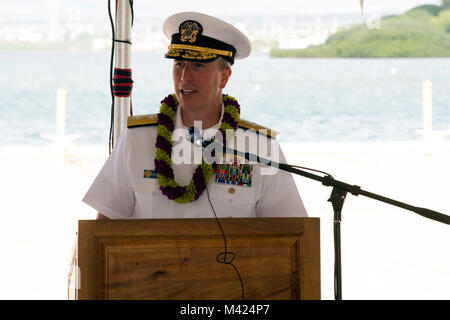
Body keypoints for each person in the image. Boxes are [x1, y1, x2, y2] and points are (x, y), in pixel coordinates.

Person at [82, 12, 307, 220]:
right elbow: (106, 226)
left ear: (224, 77)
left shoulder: (260, 147)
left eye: (198, 65)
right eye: (179, 63)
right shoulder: (136, 139)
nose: (184, 77)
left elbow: (290, 232)